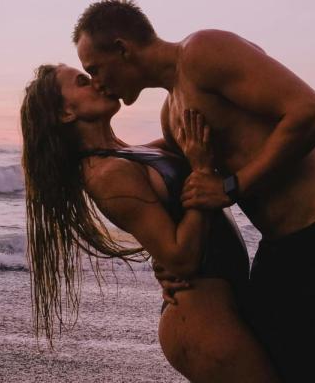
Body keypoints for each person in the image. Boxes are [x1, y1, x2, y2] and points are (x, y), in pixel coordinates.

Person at [73, 0, 315, 382]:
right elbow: (159, 166)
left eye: (94, 68)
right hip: (278, 252)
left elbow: (314, 113)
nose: (97, 82)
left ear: (122, 48)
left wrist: (232, 186)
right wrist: (169, 260)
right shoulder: (172, 112)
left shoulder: (204, 52)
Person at [20, 63, 280, 382]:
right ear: (66, 112)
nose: (98, 84)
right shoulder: (106, 175)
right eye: (83, 81)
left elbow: (201, 145)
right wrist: (200, 171)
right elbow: (181, 259)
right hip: (198, 317)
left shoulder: (132, 153)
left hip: (220, 303)